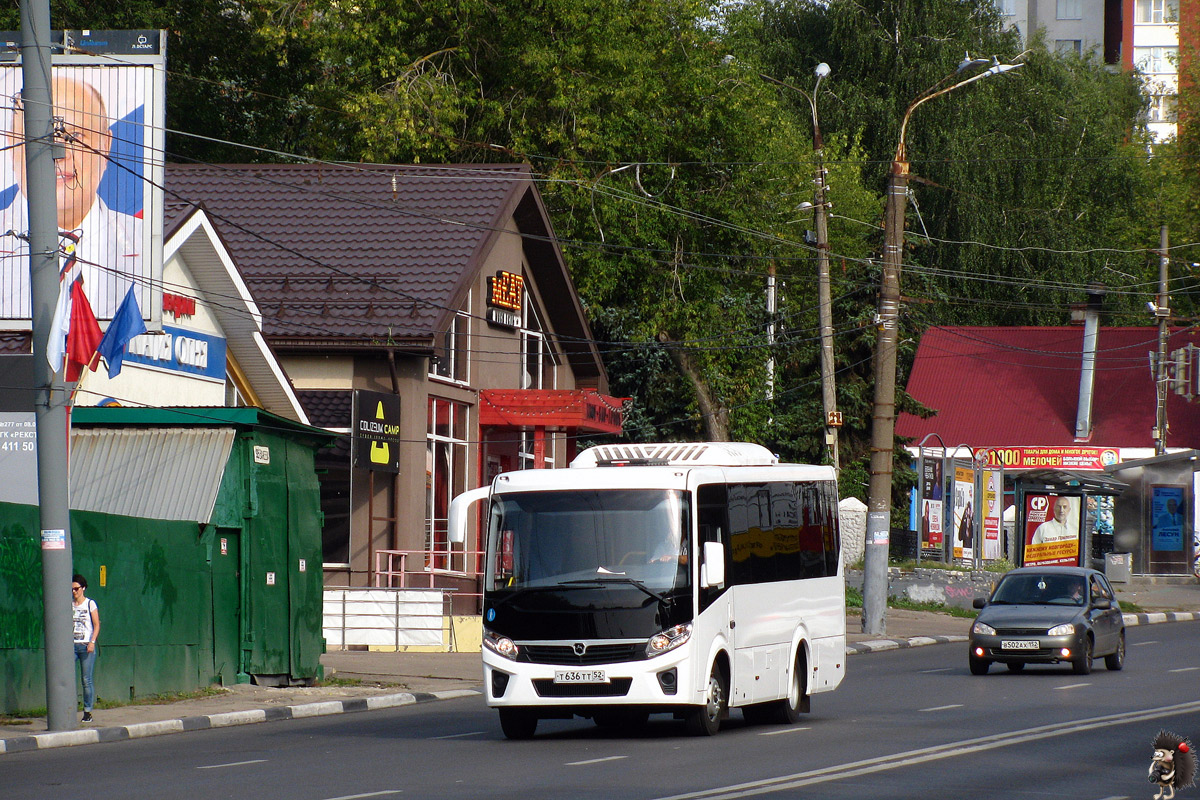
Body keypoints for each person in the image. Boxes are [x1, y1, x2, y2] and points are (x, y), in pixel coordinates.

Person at [1, 72, 141, 320]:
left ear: (105, 146)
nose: (59, 153)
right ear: (11, 144)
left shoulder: (146, 244)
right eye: (39, 138)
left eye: (75, 137)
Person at [72, 573, 100, 723]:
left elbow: (96, 624)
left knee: (86, 679)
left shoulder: (90, 604)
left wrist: (92, 642)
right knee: (67, 678)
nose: (74, 592)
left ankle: (87, 711)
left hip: (86, 646)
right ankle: (68, 710)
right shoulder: (69, 604)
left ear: (83, 588)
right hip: (71, 645)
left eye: (76, 588)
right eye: (72, 589)